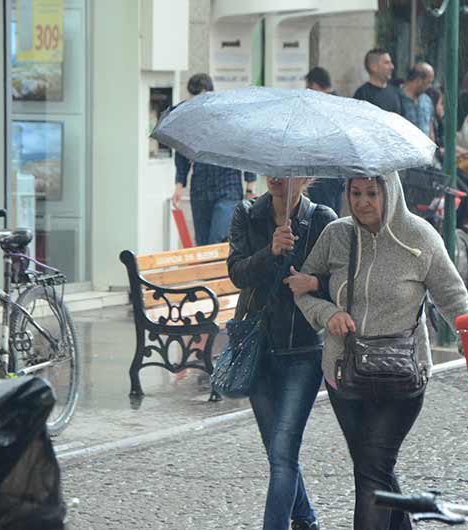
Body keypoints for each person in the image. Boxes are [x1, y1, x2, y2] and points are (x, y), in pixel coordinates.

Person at [293, 174, 468, 530]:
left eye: (372, 193)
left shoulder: (419, 237)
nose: (363, 202)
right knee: (375, 467)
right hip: (345, 376)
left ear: (389, 192)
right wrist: (329, 314)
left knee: (372, 470)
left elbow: (454, 298)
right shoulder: (337, 235)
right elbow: (303, 288)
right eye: (356, 193)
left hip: (403, 377)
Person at [227, 177, 337, 530]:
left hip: (304, 351)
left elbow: (340, 280)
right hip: (258, 348)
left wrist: (314, 283)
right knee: (278, 452)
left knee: (282, 454)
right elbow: (236, 273)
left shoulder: (321, 219)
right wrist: (269, 252)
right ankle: (305, 519)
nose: (276, 177)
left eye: (287, 171)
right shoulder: (246, 213)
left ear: (306, 177)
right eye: (271, 169)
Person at [173, 73, 257, 245]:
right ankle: (208, 273)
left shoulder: (229, 117)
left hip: (228, 188)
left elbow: (245, 147)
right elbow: (181, 151)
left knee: (217, 240)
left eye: (202, 97)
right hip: (200, 188)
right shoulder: (190, 120)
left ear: (211, 93)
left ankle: (223, 271)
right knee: (202, 244)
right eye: (194, 98)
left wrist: (250, 186)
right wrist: (179, 185)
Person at [425, 86, 468, 231]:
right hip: (440, 167)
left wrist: (465, 152)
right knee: (463, 189)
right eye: (441, 104)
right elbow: (438, 148)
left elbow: (448, 143)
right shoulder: (431, 123)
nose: (443, 108)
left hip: (448, 163)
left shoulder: (440, 122)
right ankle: (459, 224)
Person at [305, 67, 345, 215]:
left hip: (322, 171)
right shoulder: (340, 103)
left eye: (309, 87)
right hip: (338, 171)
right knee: (334, 214)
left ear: (315, 85)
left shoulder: (322, 105)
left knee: (322, 216)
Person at [353, 48, 402, 114]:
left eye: (391, 62)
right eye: (386, 63)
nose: (392, 67)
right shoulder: (362, 94)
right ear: (373, 67)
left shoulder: (395, 92)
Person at [398, 63, 435, 137]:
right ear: (418, 80)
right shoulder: (397, 98)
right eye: (429, 82)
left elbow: (430, 127)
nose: (430, 86)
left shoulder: (427, 100)